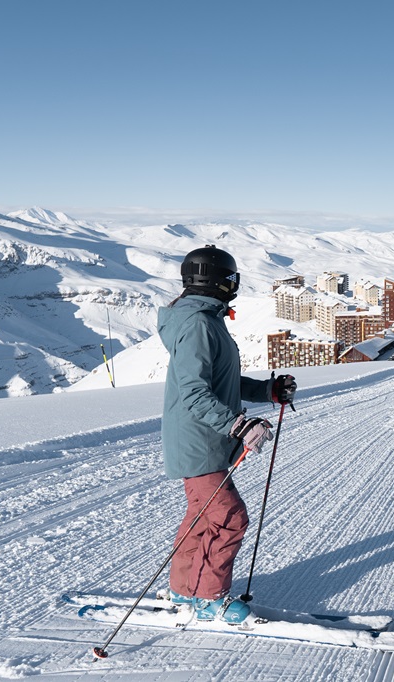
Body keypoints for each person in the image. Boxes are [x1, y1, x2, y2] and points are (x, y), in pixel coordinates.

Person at [158, 244, 297, 624]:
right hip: (197, 441)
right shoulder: (198, 325)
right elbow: (194, 393)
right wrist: (239, 424)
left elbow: (222, 380)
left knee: (202, 517)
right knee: (230, 517)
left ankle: (184, 588)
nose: (235, 284)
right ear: (217, 281)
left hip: (205, 438)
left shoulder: (206, 318)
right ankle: (208, 598)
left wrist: (267, 391)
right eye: (232, 278)